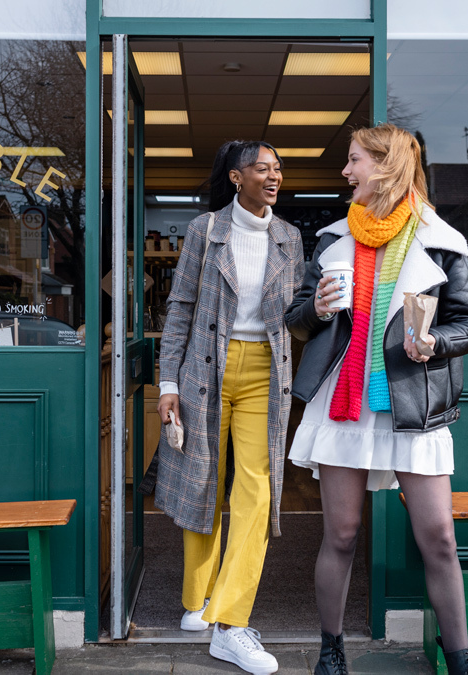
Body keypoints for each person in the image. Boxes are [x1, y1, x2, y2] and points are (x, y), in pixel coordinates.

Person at [286, 124, 468, 675]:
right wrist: (320, 310)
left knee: (440, 539)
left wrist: (433, 342)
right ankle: (331, 652)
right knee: (342, 534)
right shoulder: (332, 240)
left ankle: (461, 657)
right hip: (344, 403)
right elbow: (297, 319)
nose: (346, 172)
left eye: (354, 161)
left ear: (387, 165)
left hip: (413, 403)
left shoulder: (443, 242)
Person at [153, 140, 303, 675]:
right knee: (202, 478)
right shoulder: (205, 230)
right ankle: (198, 599)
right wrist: (167, 380)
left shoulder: (289, 237)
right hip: (204, 369)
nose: (274, 176)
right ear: (237, 177)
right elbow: (180, 308)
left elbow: (299, 313)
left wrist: (322, 309)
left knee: (256, 488)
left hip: (265, 368)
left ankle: (232, 621)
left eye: (279, 169)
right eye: (262, 168)